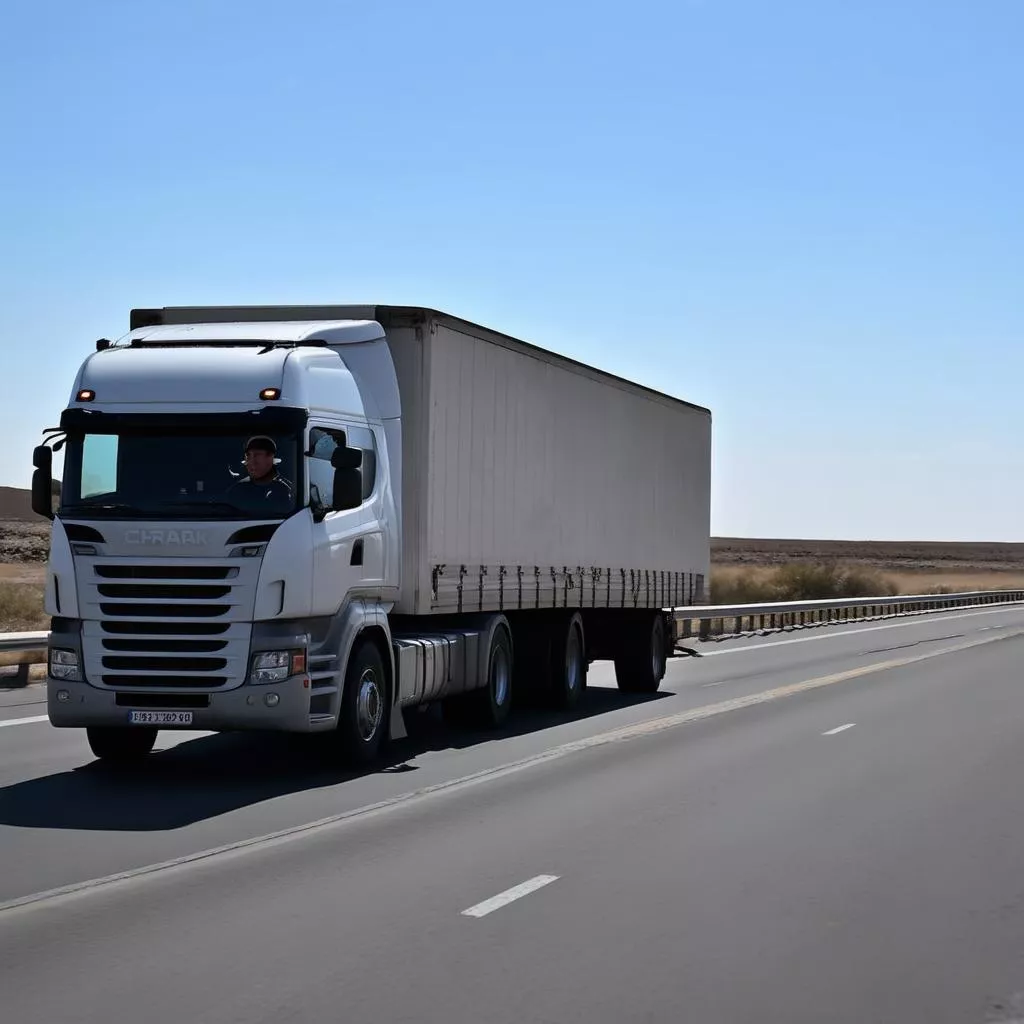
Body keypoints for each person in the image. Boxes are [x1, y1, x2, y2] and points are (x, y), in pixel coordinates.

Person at [227, 436, 293, 511]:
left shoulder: (287, 489)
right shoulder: (237, 490)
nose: (251, 462)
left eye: (257, 455)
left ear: (271, 457)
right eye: (248, 455)